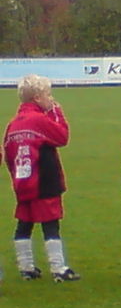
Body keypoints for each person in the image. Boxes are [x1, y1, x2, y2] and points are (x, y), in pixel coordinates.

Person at [3, 74, 80, 282]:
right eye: (48, 94)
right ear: (37, 97)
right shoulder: (39, 119)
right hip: (44, 180)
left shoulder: (13, 124)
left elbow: (8, 154)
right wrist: (57, 112)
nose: (51, 98)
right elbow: (62, 137)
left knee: (24, 223)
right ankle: (58, 268)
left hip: (23, 180)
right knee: (51, 223)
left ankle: (26, 267)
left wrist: (16, 177)